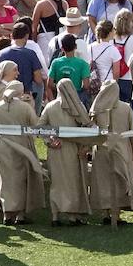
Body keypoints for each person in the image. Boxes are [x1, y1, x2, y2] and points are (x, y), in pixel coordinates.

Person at [39, 78, 96, 225]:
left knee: (57, 182)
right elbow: (89, 127)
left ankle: (55, 216)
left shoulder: (50, 106)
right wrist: (86, 147)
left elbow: (39, 127)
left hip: (57, 150)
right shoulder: (79, 107)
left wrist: (50, 141)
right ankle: (72, 216)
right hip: (74, 149)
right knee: (73, 182)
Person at [0, 82, 45, 225]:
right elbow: (35, 125)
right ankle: (19, 215)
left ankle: (6, 213)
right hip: (20, 146)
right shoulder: (25, 107)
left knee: (5, 180)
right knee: (20, 180)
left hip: (2, 145)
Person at [89, 79, 133, 227]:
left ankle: (106, 214)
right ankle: (116, 215)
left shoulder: (96, 109)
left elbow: (91, 131)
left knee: (103, 181)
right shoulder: (125, 108)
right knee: (120, 181)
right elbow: (132, 132)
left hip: (101, 150)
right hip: (121, 149)